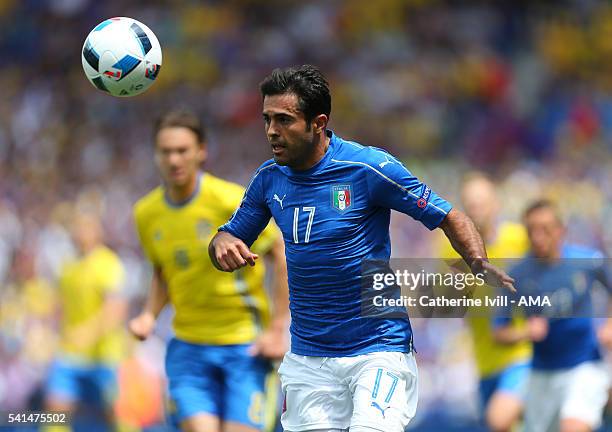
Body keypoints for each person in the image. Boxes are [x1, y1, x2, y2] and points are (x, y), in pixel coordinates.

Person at [209, 64, 515, 432]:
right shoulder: (268, 179)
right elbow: (229, 236)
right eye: (267, 119)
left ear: (318, 123)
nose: (272, 131)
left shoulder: (367, 167)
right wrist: (222, 245)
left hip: (378, 348)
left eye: (284, 120)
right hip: (309, 359)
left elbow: (447, 215)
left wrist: (478, 263)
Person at [129, 109, 289, 432]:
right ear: (155, 154)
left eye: (182, 150)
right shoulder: (146, 213)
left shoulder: (230, 200)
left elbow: (280, 251)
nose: (174, 160)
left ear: (201, 151)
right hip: (188, 347)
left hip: (244, 345)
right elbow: (164, 270)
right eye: (166, 151)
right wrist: (149, 313)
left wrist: (278, 327)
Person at [494, 199, 612, 432]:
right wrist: (525, 332)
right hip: (541, 372)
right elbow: (499, 332)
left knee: (572, 427)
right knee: (499, 420)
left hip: (584, 365)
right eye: (531, 230)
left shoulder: (587, 261)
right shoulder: (515, 275)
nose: (538, 237)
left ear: (560, 230)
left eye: (545, 229)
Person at [438, 172, 531, 431]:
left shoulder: (521, 239)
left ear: (496, 204)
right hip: (484, 359)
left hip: (522, 352)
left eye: (481, 202)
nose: (476, 210)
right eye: (470, 204)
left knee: (499, 418)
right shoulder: (449, 248)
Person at [45, 211, 128, 431]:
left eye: (86, 227)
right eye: (77, 227)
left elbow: (116, 309)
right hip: (70, 352)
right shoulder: (67, 267)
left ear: (97, 232)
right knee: (56, 411)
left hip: (103, 355)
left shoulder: (107, 263)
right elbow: (60, 306)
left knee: (115, 414)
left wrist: (87, 333)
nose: (79, 232)